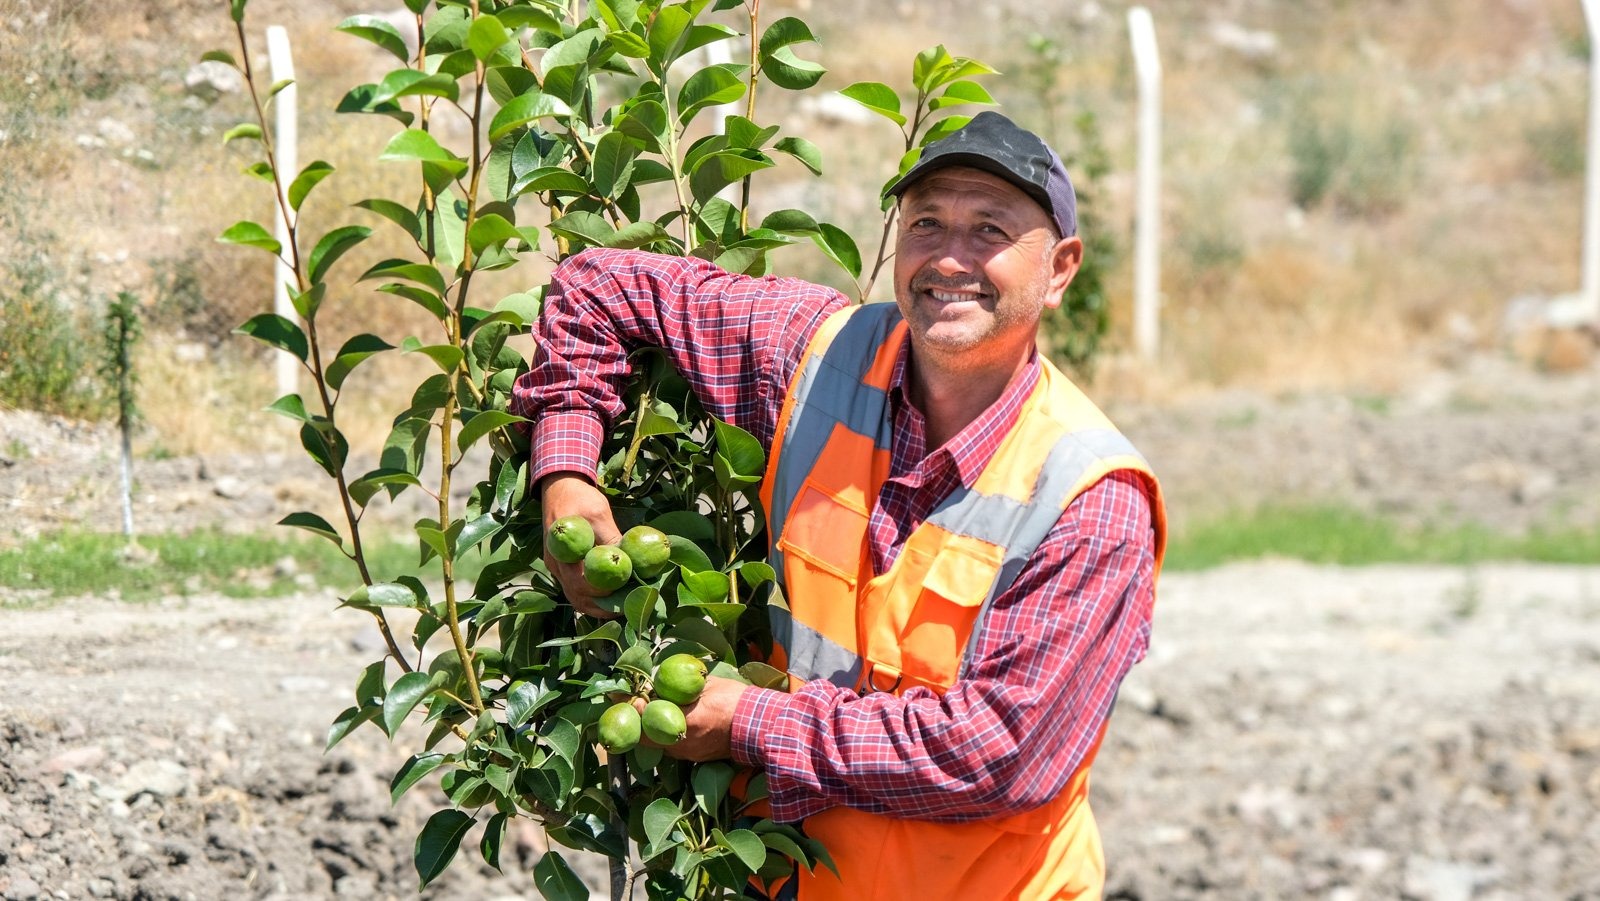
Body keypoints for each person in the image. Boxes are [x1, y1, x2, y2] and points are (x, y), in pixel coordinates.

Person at [512, 111, 1166, 901]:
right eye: (927, 223)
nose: (949, 257)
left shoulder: (1089, 496)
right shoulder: (816, 359)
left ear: (1060, 269)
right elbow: (601, 286)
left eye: (989, 228)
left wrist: (751, 721)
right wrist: (566, 474)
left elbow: (1001, 751)